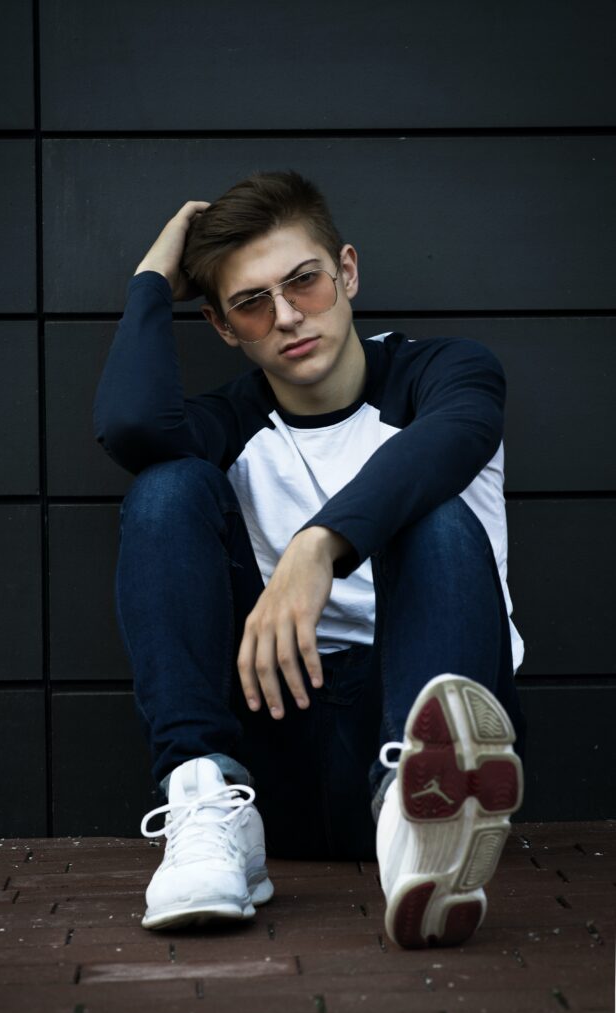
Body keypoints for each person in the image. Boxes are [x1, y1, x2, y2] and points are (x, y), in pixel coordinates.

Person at [93, 170, 526, 949]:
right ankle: (205, 800)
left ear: (348, 272)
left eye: (306, 282)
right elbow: (130, 425)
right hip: (277, 744)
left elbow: (445, 445)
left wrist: (315, 547)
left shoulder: (449, 374)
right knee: (165, 490)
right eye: (252, 304)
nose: (289, 316)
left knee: (435, 516)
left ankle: (420, 810)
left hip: (419, 720)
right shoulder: (230, 424)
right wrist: (153, 276)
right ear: (224, 328)